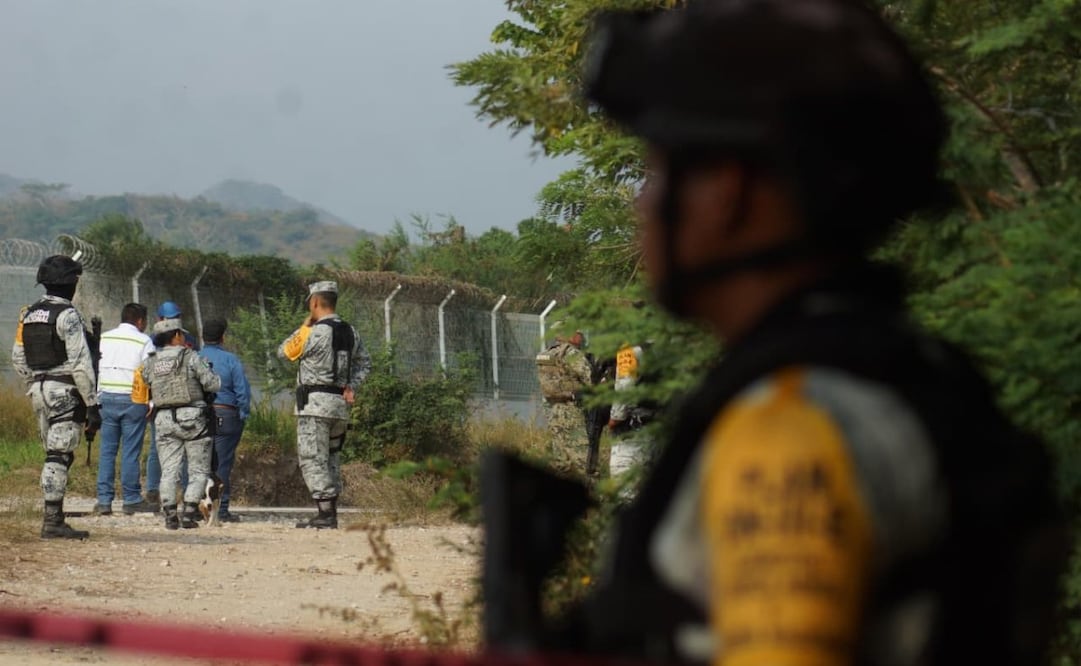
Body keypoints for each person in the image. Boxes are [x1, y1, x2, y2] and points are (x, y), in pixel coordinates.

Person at [548, 1, 1066, 664]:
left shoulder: (789, 432)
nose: (641, 206)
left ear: (729, 192)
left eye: (657, 173)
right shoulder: (916, 374)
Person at [11, 255, 100, 539]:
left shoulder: (28, 314)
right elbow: (80, 363)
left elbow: (18, 358)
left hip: (39, 390)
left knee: (55, 454)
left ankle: (55, 517)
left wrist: (36, 381)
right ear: (71, 283)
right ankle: (52, 521)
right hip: (65, 391)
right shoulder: (68, 315)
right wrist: (92, 403)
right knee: (58, 456)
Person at [278, 281, 370, 529]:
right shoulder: (351, 331)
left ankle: (325, 514)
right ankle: (331, 510)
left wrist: (305, 326)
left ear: (315, 302)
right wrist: (351, 386)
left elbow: (284, 352)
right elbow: (365, 363)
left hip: (314, 405)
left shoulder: (314, 332)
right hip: (339, 405)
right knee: (331, 458)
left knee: (312, 458)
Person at [133, 318, 220, 529]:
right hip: (193, 419)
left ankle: (170, 515)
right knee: (198, 470)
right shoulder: (191, 357)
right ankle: (189, 513)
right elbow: (212, 384)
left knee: (169, 470)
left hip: (164, 419)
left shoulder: (150, 362)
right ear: (176, 335)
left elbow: (144, 382)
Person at [94, 303, 157, 515]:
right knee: (130, 451)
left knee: (107, 451)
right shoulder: (144, 341)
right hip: (133, 400)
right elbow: (150, 373)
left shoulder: (104, 338)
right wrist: (151, 402)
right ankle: (131, 499)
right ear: (140, 321)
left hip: (106, 398)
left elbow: (94, 367)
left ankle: (104, 501)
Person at [144, 300, 198, 505]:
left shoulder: (156, 339)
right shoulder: (181, 338)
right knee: (163, 448)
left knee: (172, 447)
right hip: (171, 399)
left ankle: (177, 489)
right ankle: (155, 490)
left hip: (172, 399)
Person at [198, 318, 251, 522]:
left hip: (199, 415)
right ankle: (220, 509)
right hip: (226, 414)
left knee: (197, 462)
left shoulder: (194, 358)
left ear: (203, 336)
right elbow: (242, 391)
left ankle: (195, 505)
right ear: (223, 338)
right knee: (222, 464)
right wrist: (243, 413)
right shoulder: (231, 360)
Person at [535, 330, 593, 478]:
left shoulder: (547, 355)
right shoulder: (572, 354)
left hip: (553, 410)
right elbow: (591, 380)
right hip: (572, 410)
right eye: (579, 333)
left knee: (561, 463)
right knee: (585, 462)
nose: (581, 337)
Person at [606, 343, 654, 481]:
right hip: (657, 429)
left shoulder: (628, 351)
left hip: (631, 434)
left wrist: (614, 419)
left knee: (625, 487)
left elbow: (624, 388)